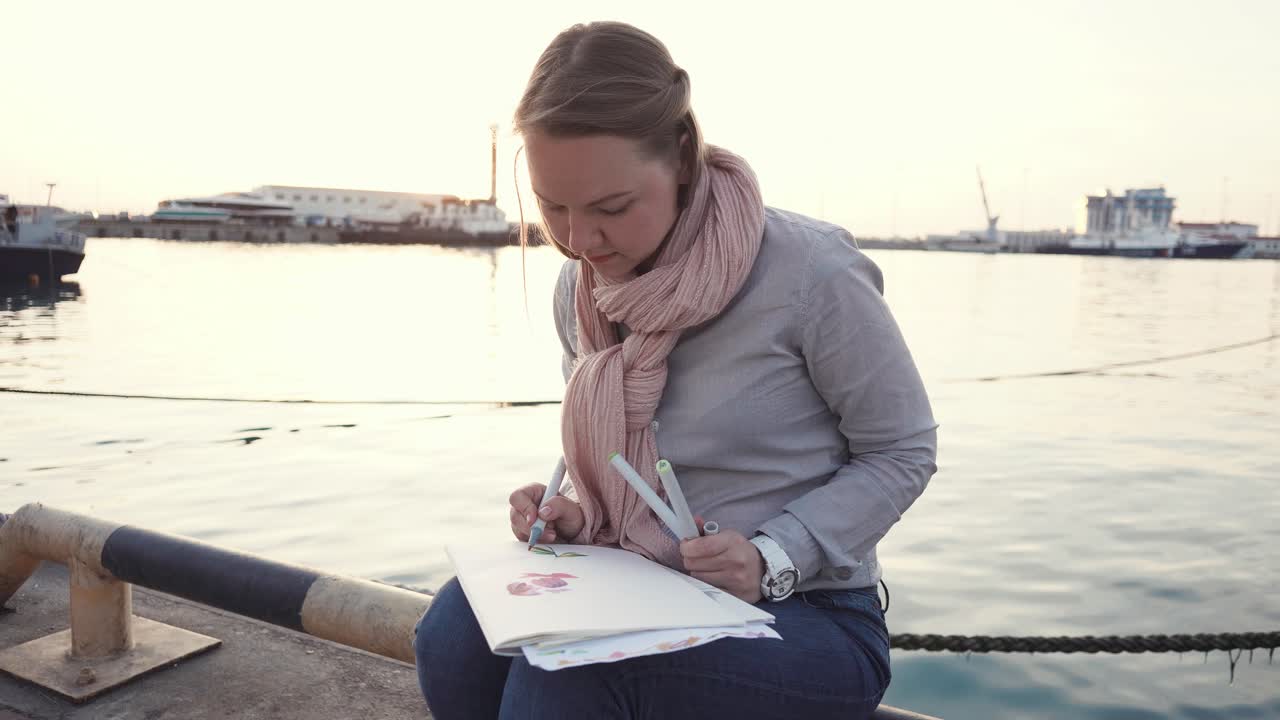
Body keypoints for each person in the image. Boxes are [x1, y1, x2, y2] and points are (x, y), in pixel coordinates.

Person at [414, 21, 937, 720]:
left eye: (611, 208)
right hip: (638, 583)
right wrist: (574, 517)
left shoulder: (813, 271)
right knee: (449, 634)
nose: (578, 240)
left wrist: (772, 554)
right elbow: (618, 465)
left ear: (683, 160)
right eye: (551, 207)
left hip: (808, 613)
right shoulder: (582, 287)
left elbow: (903, 449)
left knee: (570, 683)